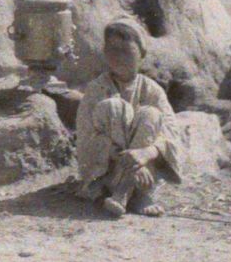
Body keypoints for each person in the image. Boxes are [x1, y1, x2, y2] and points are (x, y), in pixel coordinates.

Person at [73, 18, 183, 218]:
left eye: (126, 50)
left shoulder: (152, 90)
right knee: (114, 107)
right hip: (107, 166)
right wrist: (129, 162)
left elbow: (171, 132)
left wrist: (146, 153)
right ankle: (122, 188)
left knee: (151, 114)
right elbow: (86, 134)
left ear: (142, 54)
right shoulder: (96, 89)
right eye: (112, 49)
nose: (118, 56)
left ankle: (127, 192)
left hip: (144, 165)